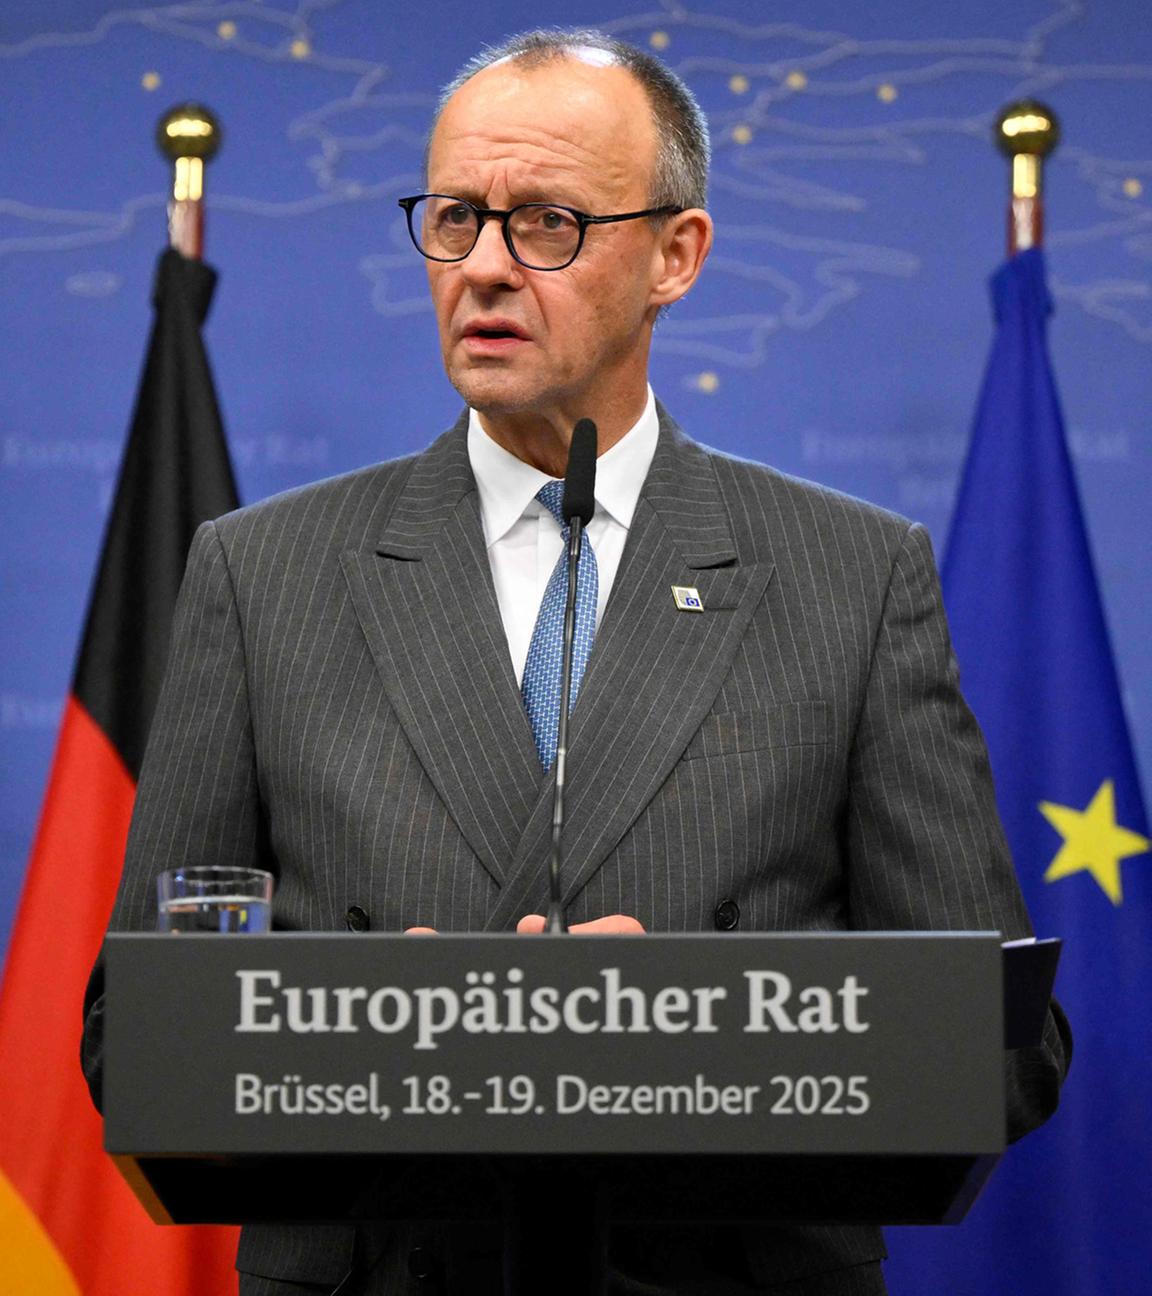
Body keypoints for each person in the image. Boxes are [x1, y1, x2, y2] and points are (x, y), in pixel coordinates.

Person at [82, 28, 1070, 1296]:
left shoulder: (850, 577)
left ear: (676, 256)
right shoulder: (261, 575)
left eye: (547, 222)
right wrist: (389, 1028)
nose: (484, 269)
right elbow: (135, 1036)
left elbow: (1004, 1047)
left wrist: (685, 1025)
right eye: (453, 219)